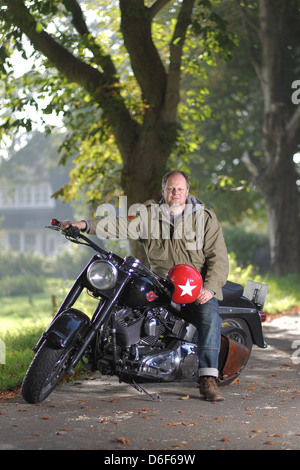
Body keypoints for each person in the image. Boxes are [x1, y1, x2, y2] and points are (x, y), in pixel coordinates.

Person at [60, 169, 229, 401]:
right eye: (171, 188)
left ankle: (208, 378)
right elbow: (119, 224)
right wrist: (84, 225)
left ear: (188, 191)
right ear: (163, 191)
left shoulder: (205, 219)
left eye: (180, 189)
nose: (175, 193)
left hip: (195, 287)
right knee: (128, 304)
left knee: (210, 318)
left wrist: (209, 288)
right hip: (161, 283)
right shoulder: (149, 215)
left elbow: (218, 258)